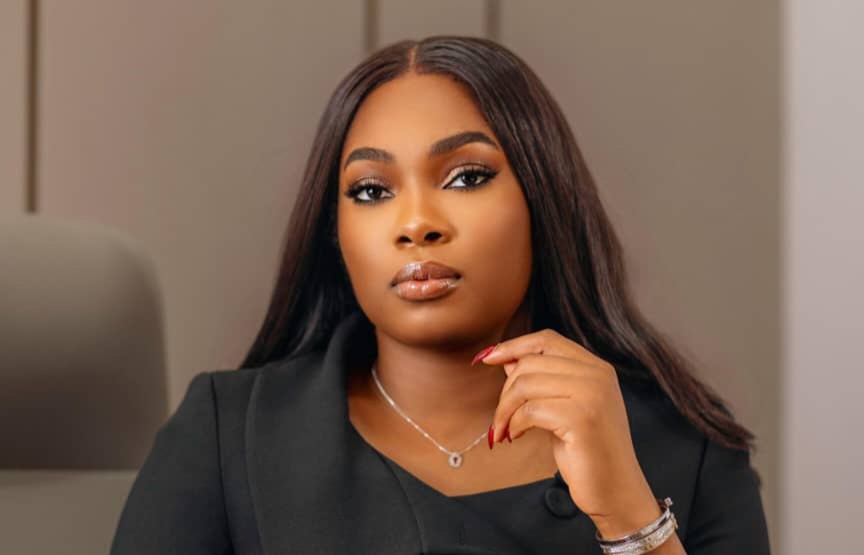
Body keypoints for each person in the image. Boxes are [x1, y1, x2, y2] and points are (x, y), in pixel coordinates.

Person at [111, 36, 770, 555]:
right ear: (335, 232)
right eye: (372, 190)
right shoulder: (228, 435)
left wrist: (630, 516)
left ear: (543, 199)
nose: (416, 223)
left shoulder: (689, 448)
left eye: (467, 177)